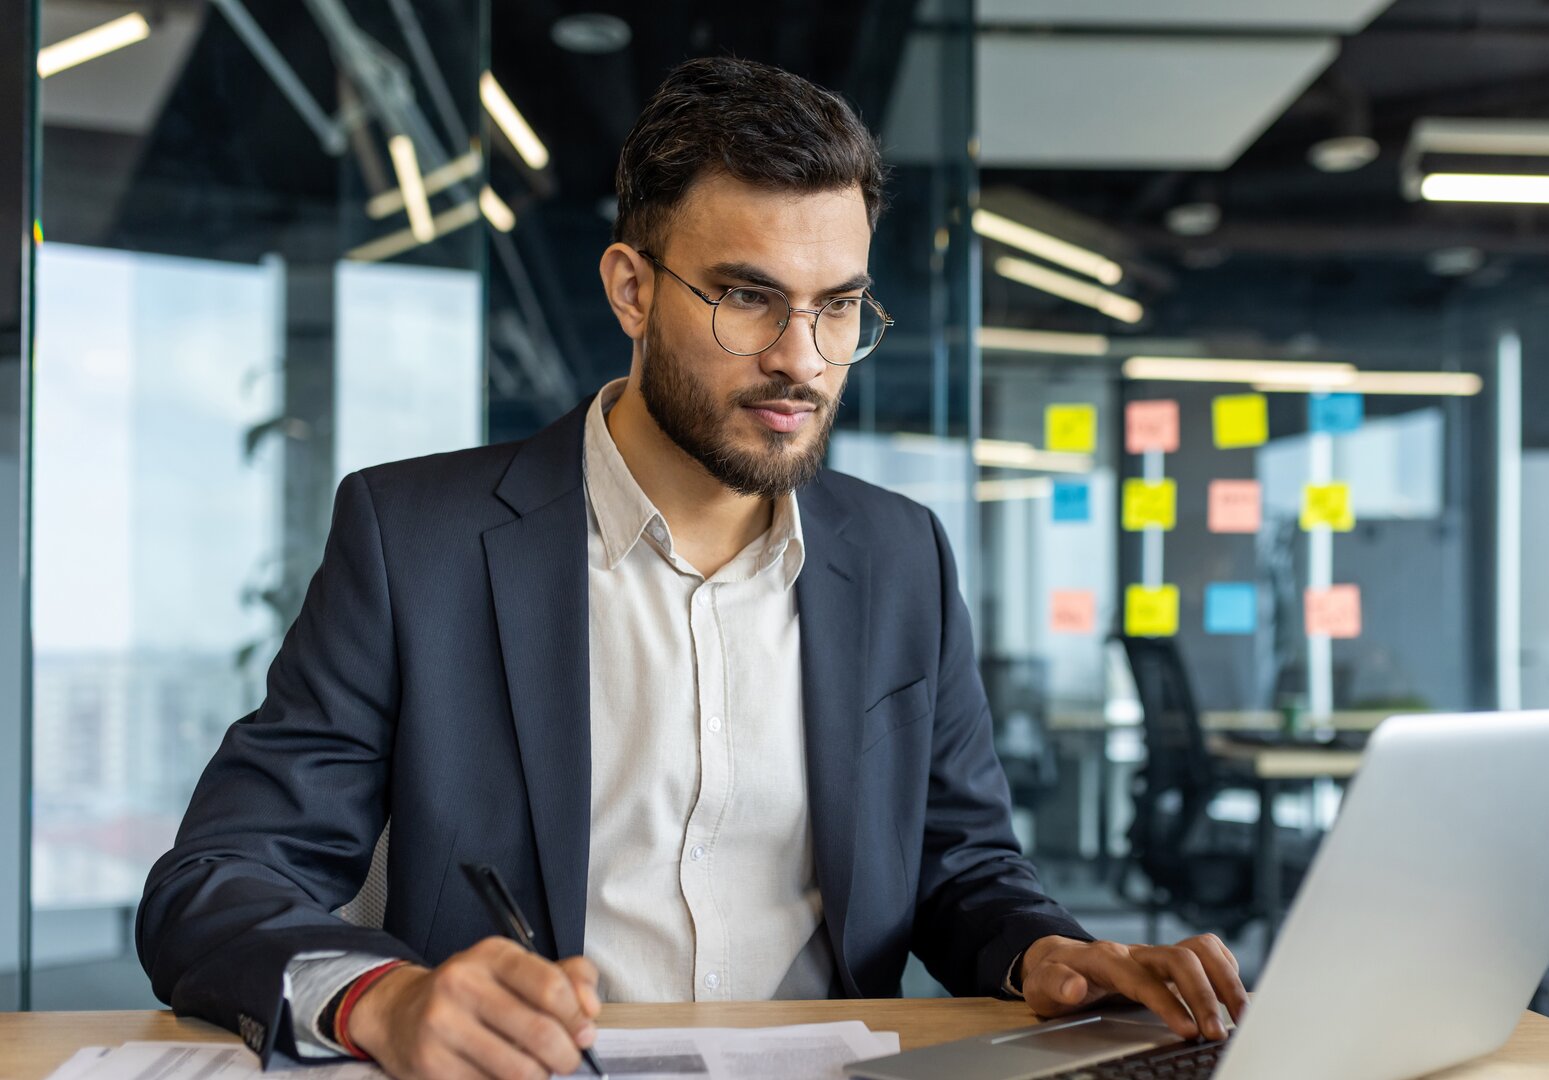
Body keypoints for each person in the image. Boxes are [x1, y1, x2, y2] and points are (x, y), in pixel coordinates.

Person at [137, 56, 1247, 1080]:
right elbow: (215, 884)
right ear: (632, 289)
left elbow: (960, 867)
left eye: (839, 307)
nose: (800, 361)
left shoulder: (900, 555)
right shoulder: (412, 538)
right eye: (747, 297)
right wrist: (386, 1001)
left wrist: (1047, 952)